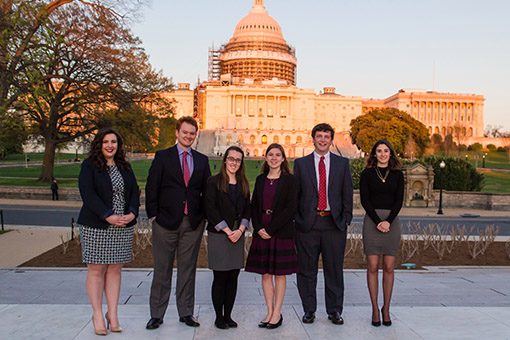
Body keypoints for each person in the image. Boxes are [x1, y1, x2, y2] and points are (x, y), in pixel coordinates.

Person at [145, 116, 211, 329]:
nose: (188, 136)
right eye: (185, 132)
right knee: (162, 270)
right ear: (177, 132)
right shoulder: (163, 156)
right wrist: (153, 215)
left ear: (195, 135)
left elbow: (207, 192)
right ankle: (157, 314)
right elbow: (152, 187)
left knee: (187, 270)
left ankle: (186, 312)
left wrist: (203, 218)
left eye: (192, 133)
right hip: (165, 222)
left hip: (192, 223)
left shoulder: (202, 160)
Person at [77, 127, 140, 335]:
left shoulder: (124, 167)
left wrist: (131, 213)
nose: (110, 145)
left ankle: (112, 315)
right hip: (97, 225)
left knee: (115, 270)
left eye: (113, 142)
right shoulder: (90, 166)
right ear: (99, 144)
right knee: (97, 270)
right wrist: (107, 215)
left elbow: (134, 193)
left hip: (121, 225)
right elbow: (88, 194)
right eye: (106, 142)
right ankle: (97, 314)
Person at [293, 123, 353, 325]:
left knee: (334, 269)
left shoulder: (341, 164)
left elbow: (347, 194)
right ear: (313, 138)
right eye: (319, 136)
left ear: (331, 139)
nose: (322, 140)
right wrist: (298, 220)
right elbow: (296, 195)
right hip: (308, 224)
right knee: (306, 270)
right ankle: (309, 310)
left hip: (333, 224)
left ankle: (334, 310)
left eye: (326, 136)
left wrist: (346, 219)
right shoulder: (301, 164)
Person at [245, 143, 299, 330]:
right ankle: (269, 311)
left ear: (283, 159)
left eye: (278, 155)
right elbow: (254, 206)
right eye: (271, 155)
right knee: (266, 274)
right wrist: (258, 227)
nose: (274, 158)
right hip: (262, 229)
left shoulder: (290, 181)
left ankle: (277, 312)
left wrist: (271, 229)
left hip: (281, 231)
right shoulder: (260, 179)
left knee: (279, 274)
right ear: (266, 158)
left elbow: (291, 208)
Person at [204, 146, 250, 329]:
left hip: (237, 234)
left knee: (233, 276)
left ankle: (229, 315)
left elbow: (248, 208)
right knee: (220, 277)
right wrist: (226, 230)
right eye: (231, 159)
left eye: (237, 160)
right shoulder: (213, 181)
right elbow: (210, 208)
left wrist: (240, 229)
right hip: (219, 234)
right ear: (225, 160)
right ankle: (218, 316)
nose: (233, 163)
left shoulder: (243, 183)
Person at [359, 139, 404, 327]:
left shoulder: (398, 174)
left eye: (386, 151)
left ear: (390, 153)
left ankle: (386, 308)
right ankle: (375, 309)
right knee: (372, 267)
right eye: (379, 151)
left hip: (392, 223)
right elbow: (365, 200)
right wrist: (378, 222)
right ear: (374, 154)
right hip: (372, 222)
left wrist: (388, 222)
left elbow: (399, 201)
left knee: (389, 267)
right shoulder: (367, 174)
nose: (383, 154)